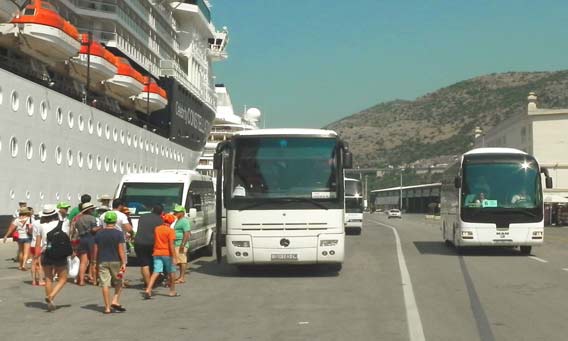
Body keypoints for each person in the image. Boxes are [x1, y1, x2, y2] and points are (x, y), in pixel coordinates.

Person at [35, 205, 70, 312]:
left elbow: (38, 243)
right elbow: (67, 238)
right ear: (55, 213)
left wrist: (36, 258)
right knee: (63, 278)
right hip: (59, 254)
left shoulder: (41, 226)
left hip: (46, 253)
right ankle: (51, 296)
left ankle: (50, 303)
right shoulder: (64, 223)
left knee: (48, 278)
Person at [93, 211, 127, 314]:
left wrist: (94, 261)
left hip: (102, 260)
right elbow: (120, 249)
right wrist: (124, 262)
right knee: (119, 282)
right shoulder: (119, 233)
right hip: (116, 260)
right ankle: (115, 300)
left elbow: (95, 249)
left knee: (105, 284)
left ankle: (107, 307)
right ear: (115, 221)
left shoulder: (99, 233)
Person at [143, 214, 179, 299]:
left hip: (157, 252)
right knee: (171, 272)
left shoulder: (157, 229)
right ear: (171, 222)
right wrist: (174, 257)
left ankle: (148, 289)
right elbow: (171, 245)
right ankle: (172, 290)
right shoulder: (170, 231)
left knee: (156, 271)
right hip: (167, 253)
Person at [71, 202, 101, 286]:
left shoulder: (78, 219)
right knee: (93, 260)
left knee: (83, 261)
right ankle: (94, 278)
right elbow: (94, 229)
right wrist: (101, 227)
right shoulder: (92, 218)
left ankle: (81, 280)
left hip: (82, 239)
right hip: (91, 238)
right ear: (89, 210)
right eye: (92, 209)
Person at [134, 205, 163, 287]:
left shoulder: (143, 216)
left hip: (139, 242)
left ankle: (147, 283)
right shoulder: (160, 220)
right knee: (152, 262)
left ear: (152, 209)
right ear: (161, 212)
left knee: (144, 264)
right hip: (152, 243)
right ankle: (151, 283)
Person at [172, 205, 191, 284]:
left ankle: (182, 277)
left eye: (177, 212)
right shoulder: (178, 220)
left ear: (182, 213)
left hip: (181, 243)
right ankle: (180, 276)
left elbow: (186, 233)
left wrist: (183, 244)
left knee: (182, 260)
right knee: (179, 261)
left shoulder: (184, 221)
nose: (175, 213)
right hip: (177, 243)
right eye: (175, 211)